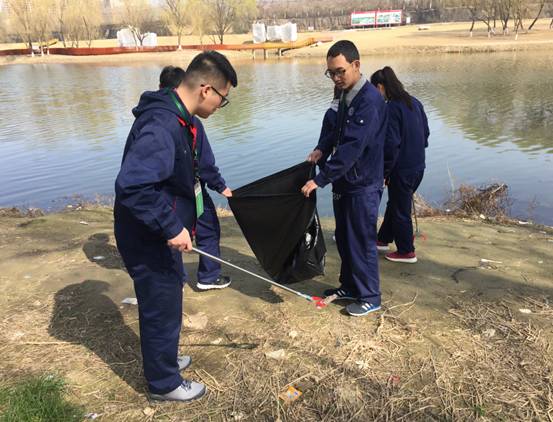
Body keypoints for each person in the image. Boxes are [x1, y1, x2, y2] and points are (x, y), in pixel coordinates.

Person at [114, 51, 237, 402]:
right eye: (222, 98)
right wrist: (170, 226)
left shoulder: (180, 119)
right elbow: (133, 186)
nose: (220, 106)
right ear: (205, 89)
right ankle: (164, 383)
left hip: (159, 233)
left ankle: (164, 359)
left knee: (169, 299)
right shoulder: (162, 125)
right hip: (148, 235)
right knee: (161, 305)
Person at [302, 40, 388, 317]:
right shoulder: (345, 95)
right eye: (331, 73)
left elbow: (352, 147)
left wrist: (321, 179)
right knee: (345, 237)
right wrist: (321, 149)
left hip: (363, 183)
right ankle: (350, 285)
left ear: (356, 65)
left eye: (340, 71)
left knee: (361, 240)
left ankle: (370, 296)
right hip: (346, 182)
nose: (336, 78)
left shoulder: (369, 101)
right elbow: (335, 131)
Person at [159, 65, 233, 290]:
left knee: (175, 231)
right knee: (201, 228)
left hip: (175, 192)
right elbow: (204, 162)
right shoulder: (184, 122)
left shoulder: (158, 116)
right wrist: (220, 186)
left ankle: (188, 278)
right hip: (188, 191)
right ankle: (201, 277)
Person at [370, 66, 429, 264]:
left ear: (380, 87)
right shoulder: (415, 102)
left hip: (401, 170)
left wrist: (384, 172)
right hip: (418, 166)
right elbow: (426, 134)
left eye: (374, 90)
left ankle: (406, 251)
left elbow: (391, 144)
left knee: (400, 210)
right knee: (396, 204)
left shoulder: (391, 108)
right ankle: (383, 239)